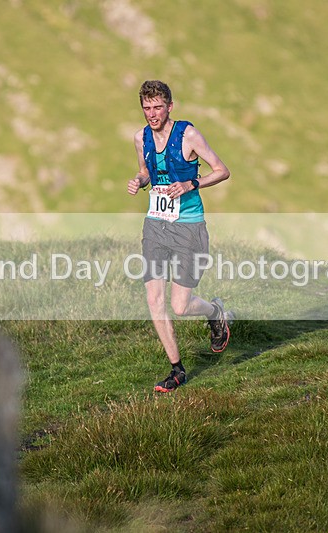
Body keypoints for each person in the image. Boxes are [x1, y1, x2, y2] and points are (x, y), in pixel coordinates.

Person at [127, 80, 233, 393]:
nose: (152, 114)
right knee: (154, 299)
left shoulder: (187, 134)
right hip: (155, 227)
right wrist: (139, 180)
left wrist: (191, 184)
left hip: (188, 227)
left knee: (181, 306)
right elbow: (147, 170)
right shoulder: (140, 137)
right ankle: (177, 370)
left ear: (170, 106)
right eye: (146, 108)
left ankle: (215, 313)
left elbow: (221, 169)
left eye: (157, 107)